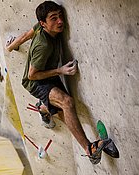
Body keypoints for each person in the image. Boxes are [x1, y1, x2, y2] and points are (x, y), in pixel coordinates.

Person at [8, 1, 111, 164]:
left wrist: (11, 46)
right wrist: (60, 70)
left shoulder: (39, 27)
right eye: (53, 18)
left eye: (60, 16)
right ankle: (90, 150)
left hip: (47, 75)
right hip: (36, 82)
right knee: (67, 102)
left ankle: (44, 108)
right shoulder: (44, 45)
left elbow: (26, 35)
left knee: (64, 109)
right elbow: (32, 75)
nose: (60, 21)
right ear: (44, 23)